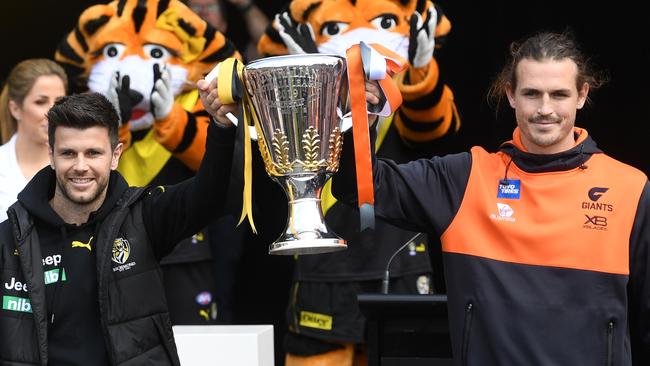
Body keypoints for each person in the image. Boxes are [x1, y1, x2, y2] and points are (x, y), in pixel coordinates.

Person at [331, 31, 650, 365]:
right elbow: (359, 187)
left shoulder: (629, 187)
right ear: (511, 94)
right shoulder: (466, 179)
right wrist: (358, 121)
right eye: (531, 94)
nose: (545, 109)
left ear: (581, 95)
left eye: (559, 94)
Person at [0, 88, 236, 365]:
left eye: (93, 153)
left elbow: (211, 195)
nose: (80, 166)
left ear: (115, 155)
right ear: (51, 155)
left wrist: (220, 126)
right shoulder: (10, 237)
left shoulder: (143, 216)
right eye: (68, 153)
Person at [0, 58, 67, 221]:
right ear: (15, 108)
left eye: (59, 102)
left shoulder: (78, 164)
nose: (52, 111)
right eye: (40, 102)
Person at [187, 0, 270, 61]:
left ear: (224, 24)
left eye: (211, 7)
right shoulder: (175, 53)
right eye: (196, 7)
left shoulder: (239, 56)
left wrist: (244, 4)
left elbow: (268, 41)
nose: (203, 12)